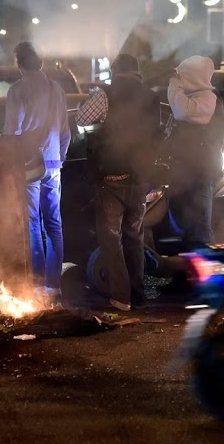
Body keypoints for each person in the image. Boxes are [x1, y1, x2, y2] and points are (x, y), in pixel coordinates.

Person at [76, 53, 162, 311]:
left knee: (111, 239)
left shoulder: (106, 94)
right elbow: (159, 132)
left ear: (115, 72)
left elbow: (81, 119)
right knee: (135, 237)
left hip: (112, 178)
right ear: (136, 72)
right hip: (140, 178)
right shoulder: (152, 96)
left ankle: (121, 297)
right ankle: (137, 294)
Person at [3, 42, 71, 296]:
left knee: (32, 222)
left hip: (28, 164)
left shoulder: (18, 91)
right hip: (54, 163)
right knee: (54, 223)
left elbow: (13, 130)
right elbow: (65, 131)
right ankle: (53, 286)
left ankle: (37, 283)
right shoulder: (57, 90)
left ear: (19, 63)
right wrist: (60, 158)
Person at [166, 55, 224, 245]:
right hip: (188, 171)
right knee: (188, 226)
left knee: (200, 228)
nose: (180, 78)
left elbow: (181, 110)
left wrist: (174, 84)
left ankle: (206, 269)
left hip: (201, 172)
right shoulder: (196, 97)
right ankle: (189, 269)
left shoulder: (208, 98)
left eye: (183, 75)